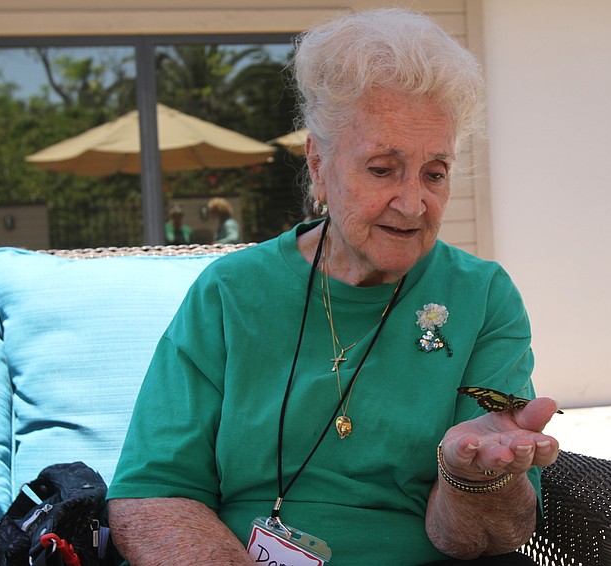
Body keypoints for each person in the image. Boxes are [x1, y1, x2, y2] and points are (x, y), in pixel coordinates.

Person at [107, 8, 560, 565]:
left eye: (434, 172)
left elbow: (482, 538)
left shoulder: (482, 296)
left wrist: (472, 478)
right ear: (319, 166)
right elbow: (153, 492)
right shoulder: (231, 292)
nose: (413, 202)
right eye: (382, 168)